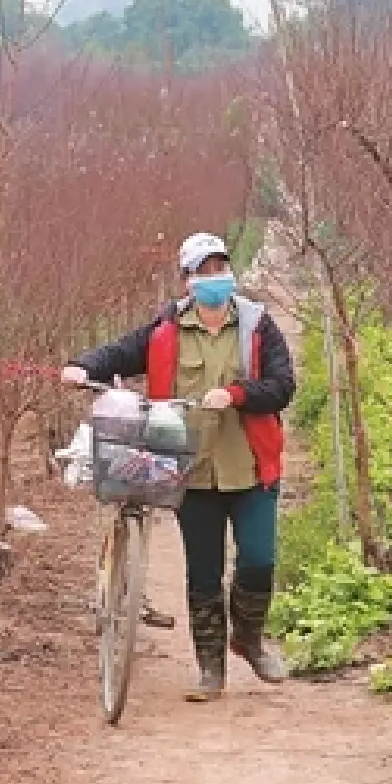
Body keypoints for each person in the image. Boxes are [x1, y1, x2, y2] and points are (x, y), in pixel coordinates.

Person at [61, 231, 296, 701]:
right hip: (191, 472)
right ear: (186, 280)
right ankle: (210, 669)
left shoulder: (256, 326)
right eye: (203, 271)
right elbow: (118, 354)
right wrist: (81, 367)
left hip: (250, 469)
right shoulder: (165, 331)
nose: (214, 279)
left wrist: (235, 394)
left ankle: (247, 638)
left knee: (259, 561)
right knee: (203, 572)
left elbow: (283, 386)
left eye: (220, 269)